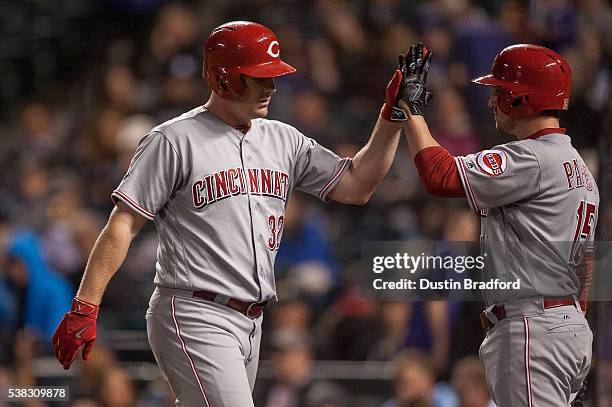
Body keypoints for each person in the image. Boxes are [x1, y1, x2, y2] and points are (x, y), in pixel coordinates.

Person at [51, 21, 405, 406]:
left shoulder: (281, 138)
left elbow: (357, 186)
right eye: (259, 77)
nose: (271, 86)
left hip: (252, 319)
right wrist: (86, 304)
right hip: (193, 310)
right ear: (225, 78)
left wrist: (391, 117)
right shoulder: (173, 140)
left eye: (273, 77)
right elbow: (123, 223)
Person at [396, 43, 598, 406]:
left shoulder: (532, 159)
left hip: (533, 328)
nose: (491, 101)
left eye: (500, 91)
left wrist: (411, 109)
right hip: (565, 324)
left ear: (523, 99)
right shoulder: (581, 170)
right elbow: (584, 269)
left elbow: (440, 176)